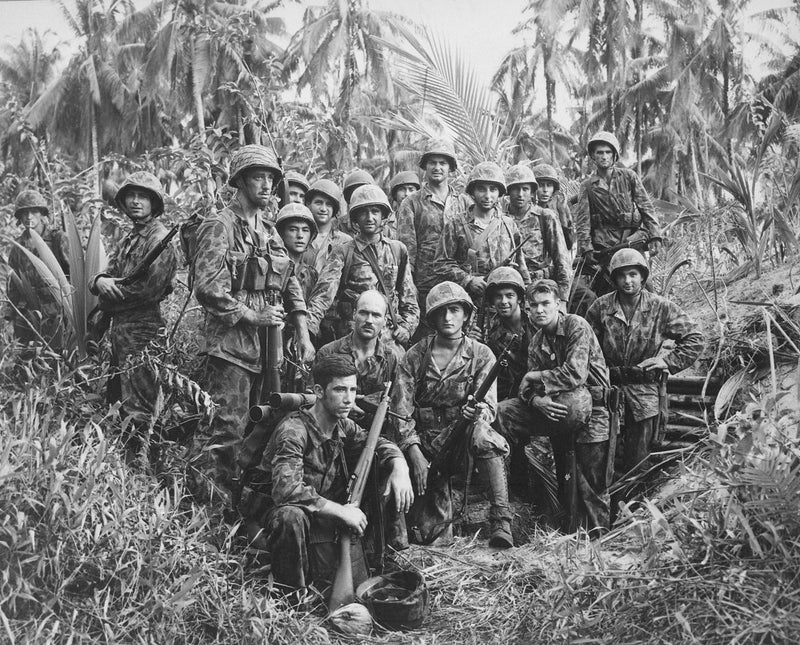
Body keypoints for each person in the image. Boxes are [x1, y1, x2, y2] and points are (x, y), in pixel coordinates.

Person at [191, 144, 315, 503]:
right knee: (225, 429)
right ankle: (206, 511)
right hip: (230, 348)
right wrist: (252, 316)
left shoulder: (268, 231)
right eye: (258, 177)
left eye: (269, 178)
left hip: (266, 352)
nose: (265, 185)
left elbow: (290, 283)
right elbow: (208, 288)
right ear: (240, 181)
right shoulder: (220, 225)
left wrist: (303, 334)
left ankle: (236, 505)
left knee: (258, 431)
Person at [240, 354, 414, 595]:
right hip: (273, 517)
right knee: (290, 516)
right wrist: (342, 512)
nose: (348, 398)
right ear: (319, 391)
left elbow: (377, 443)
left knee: (384, 469)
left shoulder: (342, 425)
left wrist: (399, 466)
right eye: (340, 389)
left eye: (353, 390)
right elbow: (286, 490)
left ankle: (382, 560)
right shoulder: (294, 431)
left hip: (320, 509)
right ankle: (291, 597)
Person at [393, 282, 513, 548]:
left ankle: (501, 521)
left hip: (462, 443)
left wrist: (476, 413)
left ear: (466, 314)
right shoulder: (415, 356)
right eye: (441, 311)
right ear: (432, 317)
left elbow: (490, 408)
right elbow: (401, 412)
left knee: (484, 435)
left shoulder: (481, 354)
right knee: (430, 536)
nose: (448, 318)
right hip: (426, 447)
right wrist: (415, 454)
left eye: (455, 310)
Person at [495, 279, 612, 535]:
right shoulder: (537, 341)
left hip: (592, 413)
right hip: (558, 412)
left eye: (546, 303)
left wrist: (536, 378)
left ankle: (600, 541)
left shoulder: (575, 325)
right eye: (533, 306)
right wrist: (537, 400)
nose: (539, 310)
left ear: (559, 304)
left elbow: (575, 373)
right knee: (565, 480)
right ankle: (513, 488)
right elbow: (526, 391)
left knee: (590, 485)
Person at [585, 249, 703, 474]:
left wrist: (669, 362)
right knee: (601, 454)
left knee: (638, 458)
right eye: (622, 275)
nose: (627, 281)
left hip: (644, 391)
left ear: (642, 276)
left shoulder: (661, 307)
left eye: (633, 274)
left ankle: (637, 506)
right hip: (608, 388)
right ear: (613, 278)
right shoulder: (600, 307)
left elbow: (695, 339)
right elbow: (585, 346)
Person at [89, 172, 177, 464]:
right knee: (118, 402)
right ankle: (123, 471)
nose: (136, 201)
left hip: (143, 333)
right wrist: (99, 280)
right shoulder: (131, 236)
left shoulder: (159, 238)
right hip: (121, 334)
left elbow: (147, 291)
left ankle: (146, 473)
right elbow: (110, 271)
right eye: (131, 196)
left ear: (154, 202)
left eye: (143, 196)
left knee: (141, 408)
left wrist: (105, 296)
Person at [307, 185, 418, 349]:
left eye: (375, 211)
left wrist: (407, 328)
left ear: (383, 216)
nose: (370, 217)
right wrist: (307, 331)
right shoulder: (343, 252)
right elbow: (323, 296)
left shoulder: (397, 250)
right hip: (352, 337)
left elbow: (408, 298)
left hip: (389, 337)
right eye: (363, 212)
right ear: (355, 217)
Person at [434, 161, 531, 340]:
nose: (487, 195)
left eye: (493, 190)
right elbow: (440, 264)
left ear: (500, 193)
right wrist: (468, 280)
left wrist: (528, 302)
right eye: (482, 189)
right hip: (471, 307)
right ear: (472, 192)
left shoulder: (508, 225)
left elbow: (522, 268)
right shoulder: (456, 225)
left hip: (504, 307)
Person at [395, 138, 472, 340]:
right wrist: (409, 292)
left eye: (443, 163)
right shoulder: (411, 203)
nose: (437, 167)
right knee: (426, 344)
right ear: (425, 166)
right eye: (432, 163)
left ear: (451, 167)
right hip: (425, 288)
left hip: (460, 286)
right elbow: (407, 254)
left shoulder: (465, 203)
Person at [575, 131, 662, 296]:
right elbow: (583, 222)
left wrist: (655, 236)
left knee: (646, 286)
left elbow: (646, 207)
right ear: (593, 156)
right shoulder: (587, 186)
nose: (604, 156)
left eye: (608, 152)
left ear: (614, 155)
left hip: (632, 240)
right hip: (605, 247)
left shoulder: (628, 177)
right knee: (606, 291)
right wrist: (587, 250)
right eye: (599, 152)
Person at [316, 289, 403, 423]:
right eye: (363, 313)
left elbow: (398, 406)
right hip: (333, 429)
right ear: (354, 314)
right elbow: (312, 397)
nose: (369, 320)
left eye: (376, 315)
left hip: (375, 433)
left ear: (385, 321)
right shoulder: (328, 353)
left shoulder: (391, 359)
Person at [5, 189, 70, 350]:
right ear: (19, 217)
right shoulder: (18, 247)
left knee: (56, 363)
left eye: (34, 211)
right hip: (28, 316)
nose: (29, 217)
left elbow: (75, 277)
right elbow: (13, 287)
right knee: (26, 364)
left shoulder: (58, 239)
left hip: (57, 315)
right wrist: (9, 319)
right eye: (24, 213)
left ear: (42, 214)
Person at [501, 164, 571, 305]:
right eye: (515, 189)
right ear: (508, 191)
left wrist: (563, 299)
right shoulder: (500, 218)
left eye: (525, 189)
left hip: (540, 286)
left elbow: (562, 260)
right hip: (509, 286)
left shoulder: (545, 216)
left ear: (533, 192)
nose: (520, 194)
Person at [275, 203, 319, 391]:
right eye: (293, 230)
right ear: (282, 234)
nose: (300, 235)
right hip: (273, 341)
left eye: (305, 230)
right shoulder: (272, 267)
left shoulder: (311, 274)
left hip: (301, 344)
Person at [483, 267, 536, 401]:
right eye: (498, 296)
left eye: (509, 295)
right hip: (510, 395)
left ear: (519, 299)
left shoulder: (536, 323)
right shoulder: (489, 331)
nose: (504, 301)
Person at [532, 163, 574, 251]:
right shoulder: (527, 208)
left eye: (549, 185)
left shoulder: (560, 207)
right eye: (541, 185)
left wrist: (562, 213)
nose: (545, 190)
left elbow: (568, 244)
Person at [386, 170, 421, 238]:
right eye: (402, 189)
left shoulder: (423, 219)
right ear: (395, 194)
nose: (407, 194)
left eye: (411, 189)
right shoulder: (387, 221)